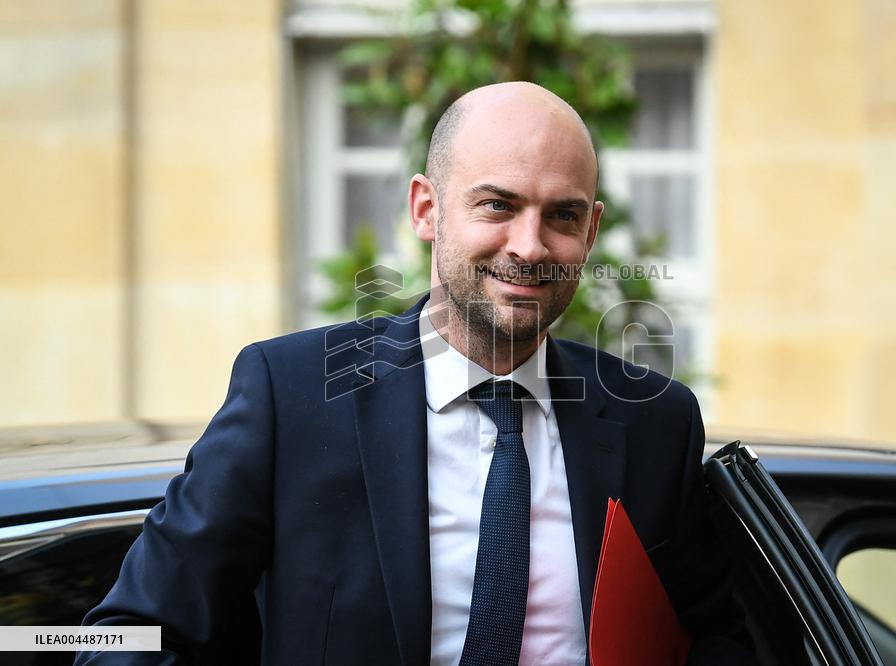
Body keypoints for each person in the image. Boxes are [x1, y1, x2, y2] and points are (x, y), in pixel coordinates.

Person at [78, 82, 753, 665]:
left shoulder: (654, 421)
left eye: (562, 216)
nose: (529, 245)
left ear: (592, 229)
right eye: (497, 205)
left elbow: (714, 636)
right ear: (427, 209)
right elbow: (135, 630)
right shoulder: (291, 398)